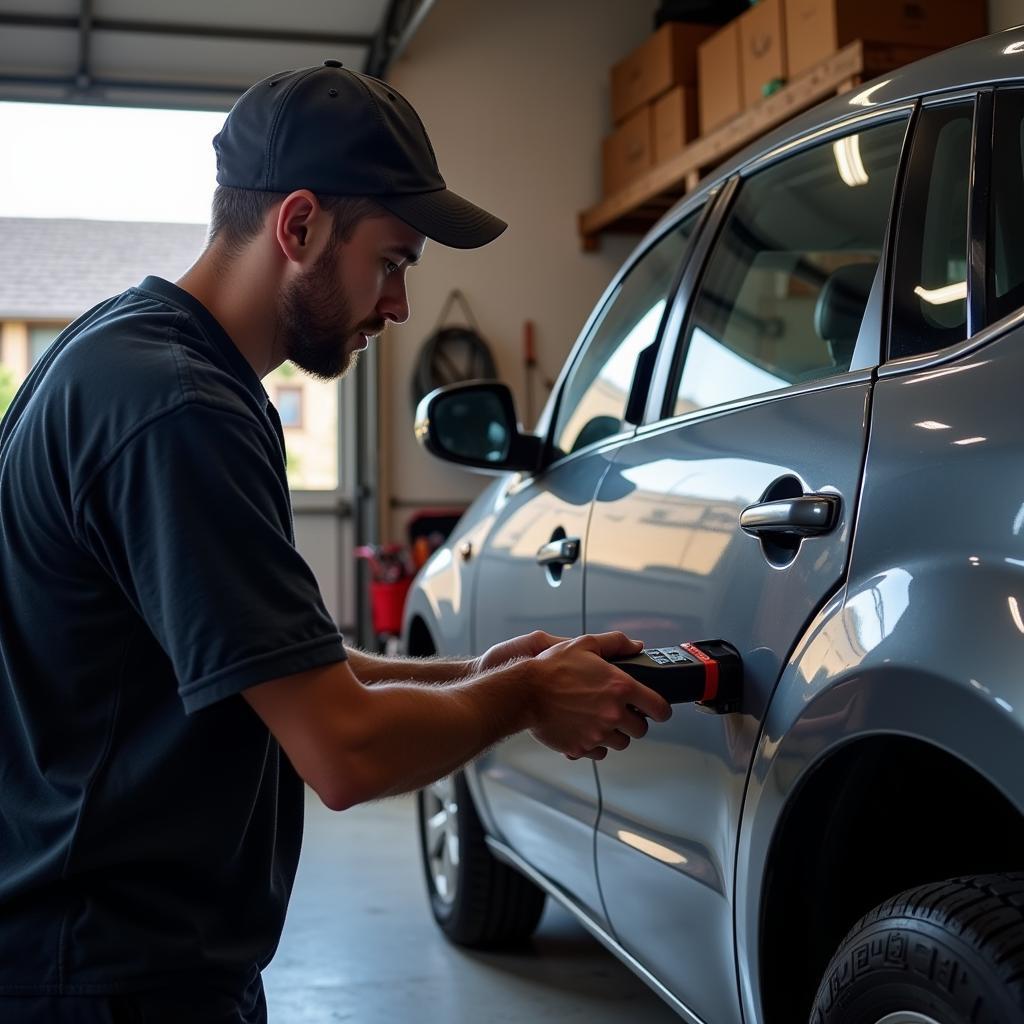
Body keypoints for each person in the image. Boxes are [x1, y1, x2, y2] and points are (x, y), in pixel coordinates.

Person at [0, 61, 671, 1023]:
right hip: (104, 976)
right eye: (391, 262)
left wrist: (478, 669)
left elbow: (277, 665)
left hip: (106, 955)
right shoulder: (178, 410)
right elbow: (342, 752)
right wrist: (524, 698)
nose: (397, 307)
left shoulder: (130, 354)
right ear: (301, 226)